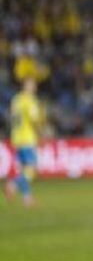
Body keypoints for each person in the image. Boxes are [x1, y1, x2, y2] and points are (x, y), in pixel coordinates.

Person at [4, 77, 45, 208]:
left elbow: (12, 118)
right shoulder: (30, 101)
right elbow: (34, 120)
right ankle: (12, 185)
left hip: (16, 138)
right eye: (32, 85)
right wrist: (40, 135)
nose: (34, 87)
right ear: (26, 86)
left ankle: (27, 198)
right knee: (30, 170)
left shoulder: (16, 100)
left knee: (23, 169)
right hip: (28, 138)